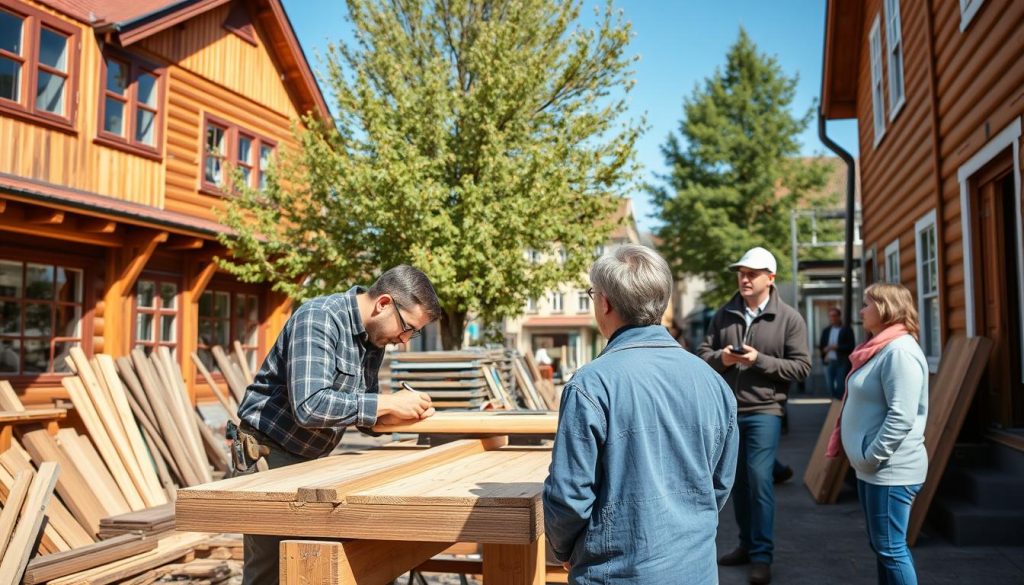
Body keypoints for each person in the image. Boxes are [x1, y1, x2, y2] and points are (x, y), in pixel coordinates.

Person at [233, 265, 443, 585]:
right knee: (271, 572)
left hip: (311, 459)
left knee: (315, 566)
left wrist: (397, 415)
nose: (403, 340)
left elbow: (359, 411)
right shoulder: (319, 318)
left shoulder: (374, 338)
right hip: (268, 453)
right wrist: (387, 403)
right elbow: (311, 405)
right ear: (384, 303)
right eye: (407, 328)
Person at [544, 244, 738, 584]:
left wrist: (564, 551)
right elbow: (719, 485)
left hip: (616, 571)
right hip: (695, 568)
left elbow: (569, 495)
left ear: (605, 302)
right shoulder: (712, 381)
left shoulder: (592, 383)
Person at [697, 246, 810, 585]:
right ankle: (746, 546)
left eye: (752, 273)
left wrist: (758, 360)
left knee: (760, 480)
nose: (744, 278)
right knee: (738, 484)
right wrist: (724, 359)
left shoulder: (789, 318)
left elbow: (802, 367)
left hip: (765, 410)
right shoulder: (724, 314)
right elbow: (702, 355)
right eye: (741, 272)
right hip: (728, 412)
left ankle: (761, 556)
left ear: (770, 279)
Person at [826, 283, 928, 585]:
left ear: (886, 307)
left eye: (867, 304)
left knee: (892, 549)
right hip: (873, 470)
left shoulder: (899, 353)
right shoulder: (879, 348)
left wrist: (872, 456)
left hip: (890, 470)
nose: (861, 310)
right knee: (882, 547)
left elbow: (902, 415)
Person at [819, 307, 856, 400]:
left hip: (842, 361)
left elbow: (851, 346)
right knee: (830, 385)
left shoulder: (847, 330)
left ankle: (839, 404)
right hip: (829, 361)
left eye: (834, 315)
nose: (832, 318)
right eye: (830, 316)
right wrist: (824, 352)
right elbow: (821, 346)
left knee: (840, 386)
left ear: (839, 316)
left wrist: (837, 347)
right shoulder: (826, 331)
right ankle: (836, 401)